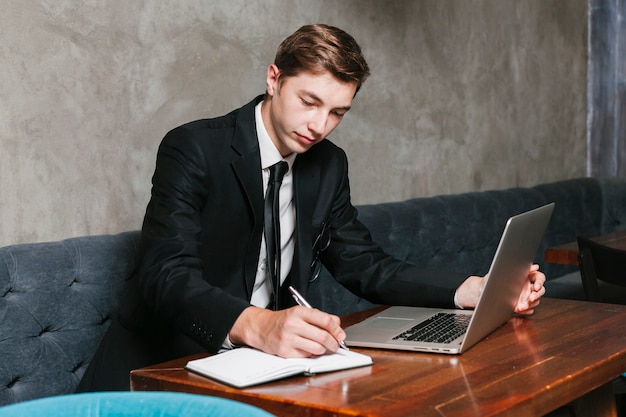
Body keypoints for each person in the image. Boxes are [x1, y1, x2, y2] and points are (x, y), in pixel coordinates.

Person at [77, 23, 545, 391]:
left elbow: (364, 264)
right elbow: (167, 275)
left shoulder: (328, 165)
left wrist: (472, 290)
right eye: (309, 101)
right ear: (274, 77)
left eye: (338, 112)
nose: (320, 125)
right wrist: (257, 325)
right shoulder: (193, 147)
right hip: (161, 365)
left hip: (261, 369)